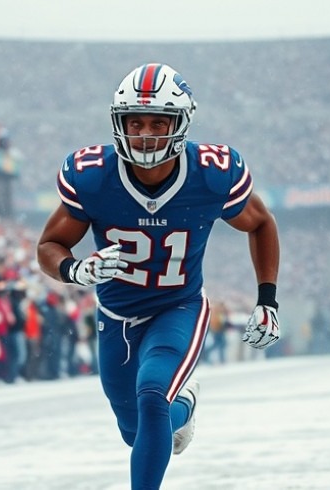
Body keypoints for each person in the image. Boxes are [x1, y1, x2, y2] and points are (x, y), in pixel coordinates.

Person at [36, 63, 282, 489]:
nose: (146, 133)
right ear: (119, 124)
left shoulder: (210, 173)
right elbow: (48, 246)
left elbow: (260, 223)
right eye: (135, 122)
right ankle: (183, 406)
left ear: (180, 124)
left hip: (178, 306)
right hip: (114, 314)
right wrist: (75, 269)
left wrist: (267, 299)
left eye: (157, 122)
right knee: (134, 430)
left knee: (151, 397)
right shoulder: (93, 176)